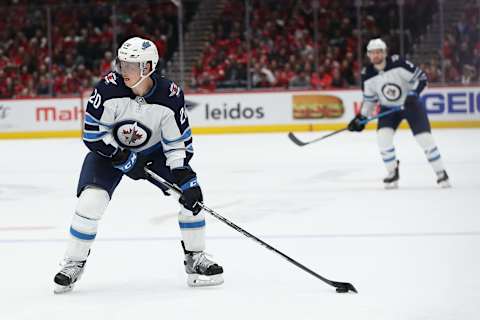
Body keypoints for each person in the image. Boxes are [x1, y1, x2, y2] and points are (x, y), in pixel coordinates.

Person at [53, 37, 223, 294]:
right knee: (90, 202)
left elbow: (176, 143)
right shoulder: (108, 89)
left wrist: (183, 174)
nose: (124, 71)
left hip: (153, 155)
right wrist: (121, 157)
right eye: (123, 64)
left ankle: (195, 257)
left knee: (192, 198)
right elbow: (92, 134)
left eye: (132, 66)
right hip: (109, 154)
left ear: (148, 67)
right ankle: (74, 262)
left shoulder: (170, 95)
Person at [348, 38, 450, 189]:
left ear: (385, 53)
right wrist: (361, 117)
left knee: (425, 139)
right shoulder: (367, 74)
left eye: (379, 52)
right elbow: (370, 100)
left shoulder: (398, 63)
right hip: (388, 109)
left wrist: (414, 94)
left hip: (411, 105)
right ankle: (392, 173)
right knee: (383, 139)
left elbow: (421, 78)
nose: (376, 55)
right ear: (368, 55)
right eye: (372, 53)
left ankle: (441, 173)